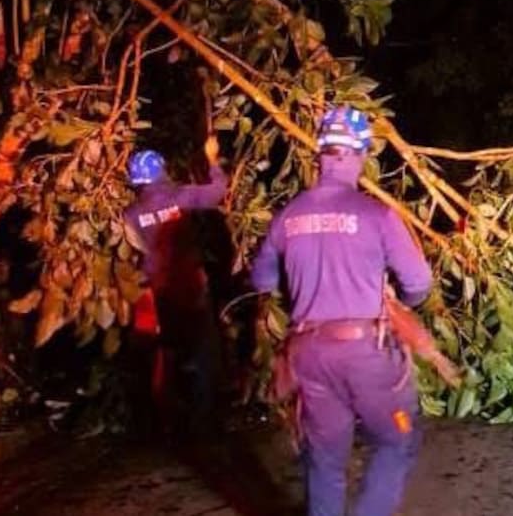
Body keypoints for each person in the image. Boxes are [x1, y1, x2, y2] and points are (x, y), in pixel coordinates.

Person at [250, 105, 433, 516]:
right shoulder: (376, 214)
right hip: (364, 354)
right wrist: (398, 302)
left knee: (324, 458)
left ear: (320, 153)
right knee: (398, 437)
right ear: (361, 153)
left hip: (309, 355)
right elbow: (419, 283)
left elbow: (261, 281)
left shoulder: (287, 217)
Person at [124, 134, 228, 438]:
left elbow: (135, 251)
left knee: (171, 352)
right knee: (204, 353)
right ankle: (203, 422)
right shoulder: (179, 196)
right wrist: (212, 159)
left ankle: (169, 422)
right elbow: (217, 192)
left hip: (162, 292)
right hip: (192, 287)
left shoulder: (130, 214)